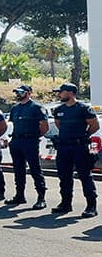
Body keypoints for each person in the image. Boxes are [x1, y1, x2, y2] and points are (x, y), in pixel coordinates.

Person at [50, 82, 99, 218]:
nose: (59, 94)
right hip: (64, 147)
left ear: (70, 93)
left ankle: (91, 206)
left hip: (79, 147)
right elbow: (59, 125)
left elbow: (94, 126)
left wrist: (83, 136)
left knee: (85, 176)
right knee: (64, 176)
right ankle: (65, 204)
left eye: (61, 92)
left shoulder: (83, 108)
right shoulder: (59, 109)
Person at [5, 85, 48, 209]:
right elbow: (13, 124)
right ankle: (19, 195)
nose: (18, 94)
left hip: (30, 141)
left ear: (29, 93)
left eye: (21, 92)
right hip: (17, 140)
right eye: (17, 92)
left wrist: (34, 137)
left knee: (35, 169)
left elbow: (44, 127)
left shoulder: (36, 107)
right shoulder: (15, 108)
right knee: (18, 170)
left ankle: (41, 197)